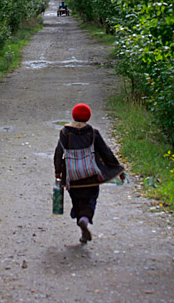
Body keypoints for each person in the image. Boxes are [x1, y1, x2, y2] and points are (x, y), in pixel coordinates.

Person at [54, 103, 124, 243]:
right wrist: (116, 167)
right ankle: (85, 219)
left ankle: (82, 224)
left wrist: (58, 172)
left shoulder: (64, 133)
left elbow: (58, 154)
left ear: (73, 116)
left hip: (72, 177)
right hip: (91, 176)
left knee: (77, 201)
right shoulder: (93, 133)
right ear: (88, 117)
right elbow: (106, 152)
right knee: (90, 200)